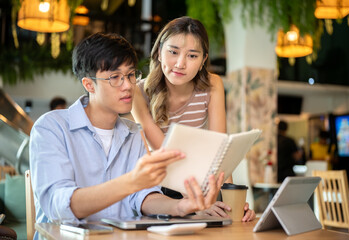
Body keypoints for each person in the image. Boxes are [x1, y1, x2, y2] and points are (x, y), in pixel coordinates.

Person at [29, 32, 224, 239]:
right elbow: (58, 206)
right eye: (115, 77)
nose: (128, 85)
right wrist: (131, 181)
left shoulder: (133, 133)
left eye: (131, 75)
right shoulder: (51, 128)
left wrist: (182, 206)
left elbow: (143, 197)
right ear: (88, 84)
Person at [131, 16, 255, 221]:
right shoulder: (140, 92)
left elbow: (220, 150)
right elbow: (165, 153)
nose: (180, 64)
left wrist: (231, 201)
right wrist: (197, 202)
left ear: (203, 60)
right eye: (173, 52)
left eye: (192, 56)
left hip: (196, 181)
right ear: (159, 52)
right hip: (157, 187)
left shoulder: (212, 85)